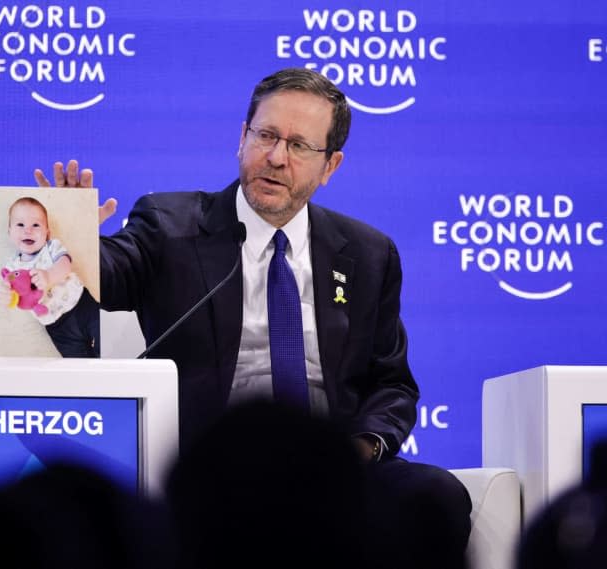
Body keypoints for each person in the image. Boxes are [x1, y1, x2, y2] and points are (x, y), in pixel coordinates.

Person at [35, 67, 471, 567]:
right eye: (266, 136)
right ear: (242, 139)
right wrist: (70, 245)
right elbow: (110, 274)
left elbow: (392, 384)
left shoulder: (369, 254)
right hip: (211, 469)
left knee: (439, 494)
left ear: (330, 165)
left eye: (300, 146)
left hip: (331, 469)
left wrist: (358, 450)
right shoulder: (169, 223)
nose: (277, 157)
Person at [3, 196, 99, 357]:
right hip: (57, 325)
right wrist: (6, 294)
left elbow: (65, 264)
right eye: (20, 225)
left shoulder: (51, 247)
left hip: (82, 304)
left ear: (47, 233)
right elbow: (9, 289)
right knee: (78, 365)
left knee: (107, 343)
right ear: (10, 233)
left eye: (36, 225)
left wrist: (49, 276)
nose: (28, 230)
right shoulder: (12, 267)